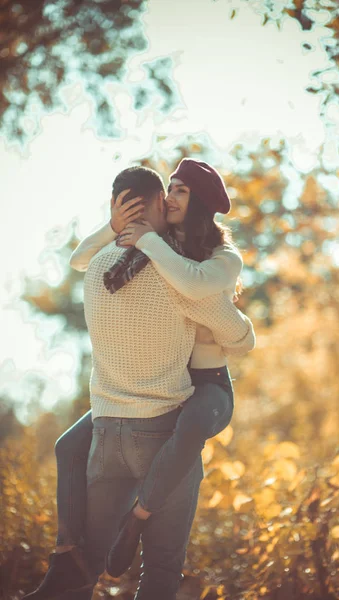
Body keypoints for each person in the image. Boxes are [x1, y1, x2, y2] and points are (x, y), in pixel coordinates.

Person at [23, 163, 255, 600]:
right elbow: (231, 329)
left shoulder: (218, 257)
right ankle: (98, 541)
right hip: (160, 409)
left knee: (189, 427)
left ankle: (123, 525)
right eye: (168, 190)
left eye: (181, 191)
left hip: (202, 388)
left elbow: (188, 281)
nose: (170, 197)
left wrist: (143, 237)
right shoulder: (157, 255)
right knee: (161, 566)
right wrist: (123, 231)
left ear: (199, 204)